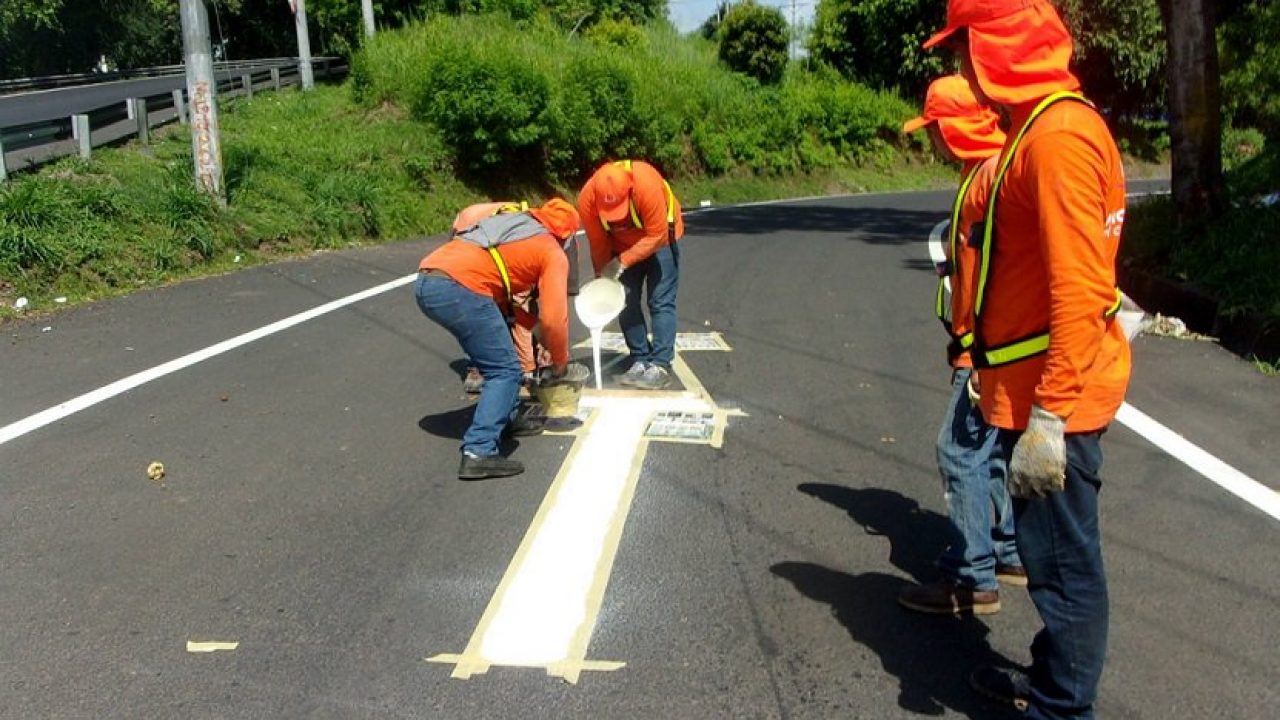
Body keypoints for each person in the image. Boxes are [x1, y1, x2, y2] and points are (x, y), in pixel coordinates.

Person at [924, 1, 1131, 718]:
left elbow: (1080, 290)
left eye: (965, 48)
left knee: (1064, 571)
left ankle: (1061, 708)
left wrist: (1049, 417)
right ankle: (1052, 682)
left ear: (998, 46)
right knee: (1049, 563)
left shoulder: (1058, 139)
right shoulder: (1038, 129)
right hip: (1034, 389)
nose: (962, 66)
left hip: (1056, 399)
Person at [895, 74, 1025, 617]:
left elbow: (998, 273)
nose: (930, 141)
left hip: (988, 347)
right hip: (993, 344)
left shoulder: (988, 178)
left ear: (952, 127)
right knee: (989, 451)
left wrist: (974, 350)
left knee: (958, 449)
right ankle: (1008, 549)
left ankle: (972, 575)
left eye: (932, 129)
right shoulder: (992, 167)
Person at [416, 199, 588, 480]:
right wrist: (560, 361)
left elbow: (510, 305)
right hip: (458, 288)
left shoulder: (513, 229)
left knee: (501, 359)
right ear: (567, 236)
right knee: (505, 370)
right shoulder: (552, 251)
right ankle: (479, 451)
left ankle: (506, 419)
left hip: (429, 280)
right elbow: (555, 319)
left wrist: (538, 334)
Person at [578, 160, 684, 390]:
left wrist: (622, 262)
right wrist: (602, 278)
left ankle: (661, 365)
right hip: (622, 246)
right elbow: (598, 243)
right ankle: (639, 358)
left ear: (628, 191)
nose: (615, 217)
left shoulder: (646, 185)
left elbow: (657, 235)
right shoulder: (587, 199)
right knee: (625, 301)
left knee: (660, 301)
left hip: (661, 242)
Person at [455, 202, 581, 394]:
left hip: (488, 239)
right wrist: (528, 369)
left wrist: (551, 345)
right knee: (482, 310)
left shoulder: (560, 241)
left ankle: (522, 362)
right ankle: (477, 367)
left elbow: (557, 310)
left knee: (516, 310)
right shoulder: (524, 243)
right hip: (467, 233)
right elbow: (520, 307)